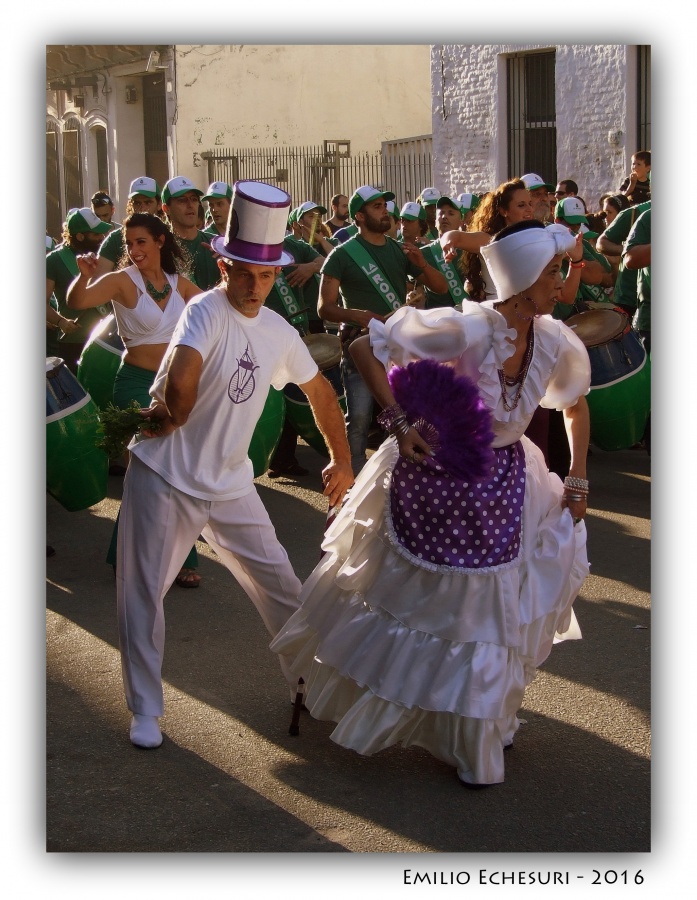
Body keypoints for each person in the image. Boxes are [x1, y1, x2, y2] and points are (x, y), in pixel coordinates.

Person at [271, 219, 591, 787]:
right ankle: (464, 731)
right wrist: (396, 423)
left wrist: (579, 478)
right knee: (434, 610)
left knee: (493, 614)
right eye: (551, 272)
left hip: (509, 485)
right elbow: (363, 345)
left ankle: (482, 729)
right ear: (519, 284)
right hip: (439, 480)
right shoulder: (468, 330)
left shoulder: (555, 336)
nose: (561, 281)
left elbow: (574, 405)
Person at [112, 180, 353, 749]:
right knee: (143, 595)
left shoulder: (278, 330)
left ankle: (311, 683)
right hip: (164, 474)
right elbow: (187, 368)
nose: (254, 286)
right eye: (244, 272)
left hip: (229, 484)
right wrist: (174, 410)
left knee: (283, 587)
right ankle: (145, 710)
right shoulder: (203, 309)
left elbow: (320, 392)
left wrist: (342, 459)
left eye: (266, 276)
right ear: (224, 265)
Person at [66, 213, 204, 588]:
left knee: (179, 473)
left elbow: (216, 311)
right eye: (129, 244)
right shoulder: (121, 282)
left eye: (141, 241)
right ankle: (125, 555)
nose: (133, 249)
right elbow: (77, 300)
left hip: (173, 386)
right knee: (144, 472)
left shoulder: (179, 285)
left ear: (160, 241)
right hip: (134, 384)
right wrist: (84, 273)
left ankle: (180, 559)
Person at [318, 184, 449, 474]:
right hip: (359, 346)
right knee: (361, 418)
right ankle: (351, 480)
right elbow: (324, 308)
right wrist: (359, 315)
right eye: (377, 207)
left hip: (397, 345)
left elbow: (440, 287)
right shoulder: (342, 255)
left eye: (385, 205)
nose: (385, 211)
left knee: (407, 415)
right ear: (359, 217)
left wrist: (422, 264)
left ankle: (402, 477)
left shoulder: (400, 250)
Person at [438, 178, 533, 301]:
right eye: (521, 205)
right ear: (504, 211)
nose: (529, 209)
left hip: (527, 313)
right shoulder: (490, 241)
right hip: (498, 313)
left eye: (530, 204)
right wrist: (448, 243)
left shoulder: (535, 238)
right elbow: (455, 236)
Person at [46, 207, 112, 372]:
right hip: (74, 342)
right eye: (96, 235)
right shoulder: (54, 260)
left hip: (108, 338)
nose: (102, 238)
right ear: (80, 236)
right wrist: (61, 322)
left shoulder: (106, 256)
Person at [93, 177, 163, 280]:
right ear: (131, 205)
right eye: (137, 203)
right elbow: (97, 283)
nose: (142, 209)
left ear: (159, 205)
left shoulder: (169, 235)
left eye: (148, 202)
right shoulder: (115, 239)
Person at [161, 175, 220, 290]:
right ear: (166, 208)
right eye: (182, 200)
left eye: (194, 199)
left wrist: (229, 264)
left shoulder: (217, 244)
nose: (190, 205)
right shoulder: (160, 247)